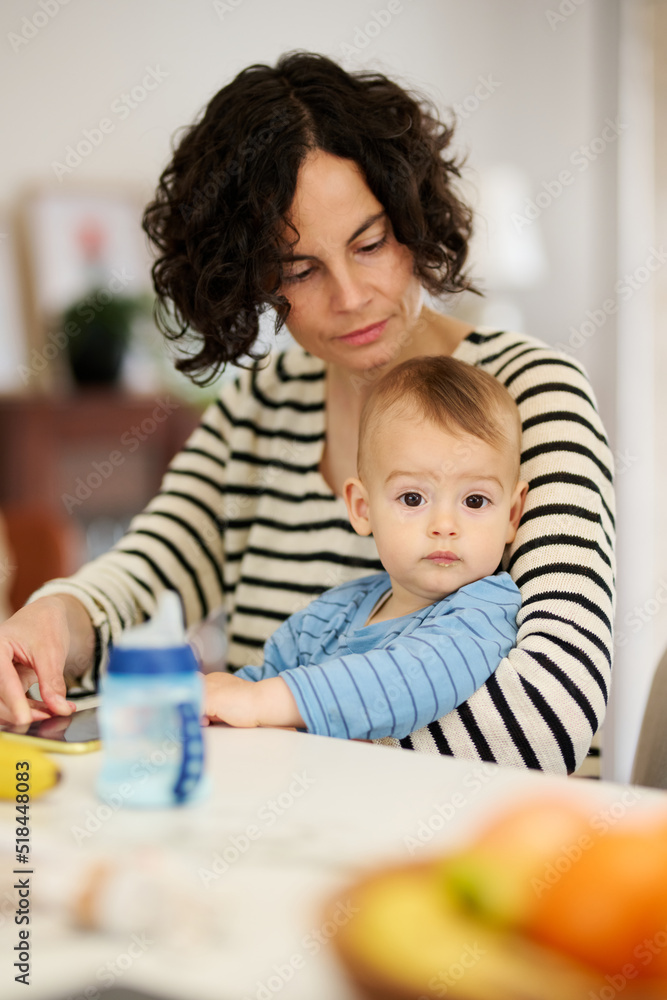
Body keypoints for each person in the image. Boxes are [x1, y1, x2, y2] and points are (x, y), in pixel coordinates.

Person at [0, 52, 614, 774]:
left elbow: (548, 717)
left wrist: (274, 729)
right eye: (299, 270)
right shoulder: (261, 405)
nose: (349, 296)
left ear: (413, 217)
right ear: (251, 280)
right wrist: (52, 618)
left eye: (371, 243)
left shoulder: (531, 393)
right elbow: (144, 575)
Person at [203, 355, 528, 740]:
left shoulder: (485, 611)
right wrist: (213, 702)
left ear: (511, 515)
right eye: (412, 498)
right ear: (362, 508)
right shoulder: (328, 617)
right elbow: (253, 688)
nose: (445, 526)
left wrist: (260, 702)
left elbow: (409, 679)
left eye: (474, 501)